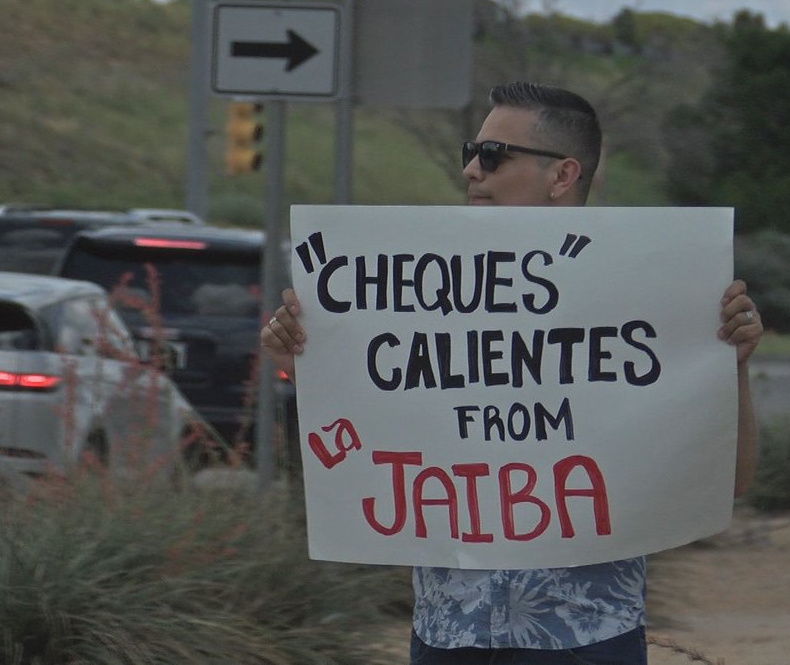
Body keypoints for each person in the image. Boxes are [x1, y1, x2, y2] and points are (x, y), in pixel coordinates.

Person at [261, 82, 763, 664]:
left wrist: (734, 367)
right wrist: (311, 365)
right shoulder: (418, 295)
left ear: (561, 175)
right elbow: (376, 442)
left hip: (585, 639)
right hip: (448, 634)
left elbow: (729, 479)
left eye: (495, 155)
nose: (474, 170)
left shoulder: (657, 294)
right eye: (470, 152)